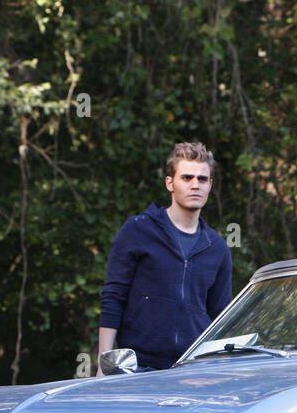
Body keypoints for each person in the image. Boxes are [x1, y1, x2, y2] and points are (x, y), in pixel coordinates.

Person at [97, 141, 233, 373]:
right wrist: (104, 364)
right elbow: (113, 297)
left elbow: (221, 318)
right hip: (138, 369)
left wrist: (218, 370)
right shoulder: (138, 230)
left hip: (193, 372)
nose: (195, 185)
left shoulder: (217, 248)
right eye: (187, 178)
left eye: (202, 179)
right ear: (170, 183)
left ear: (210, 185)